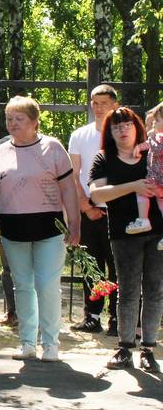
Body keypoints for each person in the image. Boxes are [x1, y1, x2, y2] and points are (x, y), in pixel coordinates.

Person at [0, 96, 79, 362]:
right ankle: (27, 343)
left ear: (34, 122)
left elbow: (69, 189)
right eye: (9, 119)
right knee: (22, 285)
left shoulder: (53, 148)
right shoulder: (0, 151)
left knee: (46, 284)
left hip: (49, 228)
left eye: (18, 119)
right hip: (13, 230)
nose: (12, 124)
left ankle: (51, 343)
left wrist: (75, 224)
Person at [89, 107, 163, 372]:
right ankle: (124, 346)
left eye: (127, 124)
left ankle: (149, 348)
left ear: (137, 127)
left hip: (157, 231)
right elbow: (97, 195)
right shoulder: (104, 158)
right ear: (109, 132)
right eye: (116, 126)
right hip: (124, 233)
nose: (122, 129)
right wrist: (133, 187)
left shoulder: (151, 152)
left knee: (154, 290)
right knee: (128, 290)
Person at [68, 84, 121, 335]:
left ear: (115, 105)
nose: (98, 108)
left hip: (119, 210)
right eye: (94, 102)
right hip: (89, 208)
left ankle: (119, 318)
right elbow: (74, 173)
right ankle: (93, 315)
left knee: (119, 266)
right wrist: (84, 205)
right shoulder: (80, 135)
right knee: (92, 266)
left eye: (103, 103)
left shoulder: (124, 133)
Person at [131, 102, 163, 242]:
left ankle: (143, 219)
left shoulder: (159, 138)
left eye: (157, 120)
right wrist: (139, 147)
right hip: (158, 181)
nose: (154, 124)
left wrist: (152, 137)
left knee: (142, 190)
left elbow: (156, 149)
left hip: (158, 179)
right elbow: (148, 145)